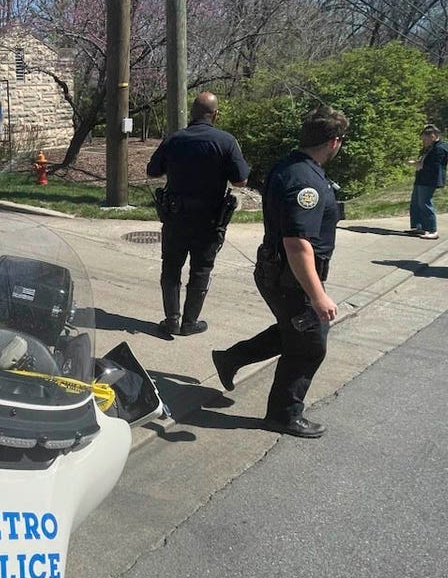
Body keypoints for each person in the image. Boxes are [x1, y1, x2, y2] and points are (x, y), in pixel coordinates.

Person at [210, 106, 347, 439]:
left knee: (295, 330)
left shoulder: (290, 165)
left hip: (279, 271)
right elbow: (297, 244)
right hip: (290, 277)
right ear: (334, 142)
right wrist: (318, 296)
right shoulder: (306, 182)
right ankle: (283, 415)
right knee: (310, 345)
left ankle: (231, 358)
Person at [146, 92, 250, 336]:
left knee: (171, 268)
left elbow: (152, 172)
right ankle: (190, 323)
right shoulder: (226, 141)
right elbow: (241, 180)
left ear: (192, 114)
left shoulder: (174, 139)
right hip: (209, 220)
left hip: (176, 216)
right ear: (215, 114)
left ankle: (172, 319)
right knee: (201, 270)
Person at [407, 124, 448, 239]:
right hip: (421, 178)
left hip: (429, 179)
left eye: (425, 139)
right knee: (416, 202)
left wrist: (417, 164)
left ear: (433, 136)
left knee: (425, 203)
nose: (424, 142)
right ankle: (419, 226)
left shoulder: (440, 148)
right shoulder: (430, 147)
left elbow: (434, 166)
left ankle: (432, 230)